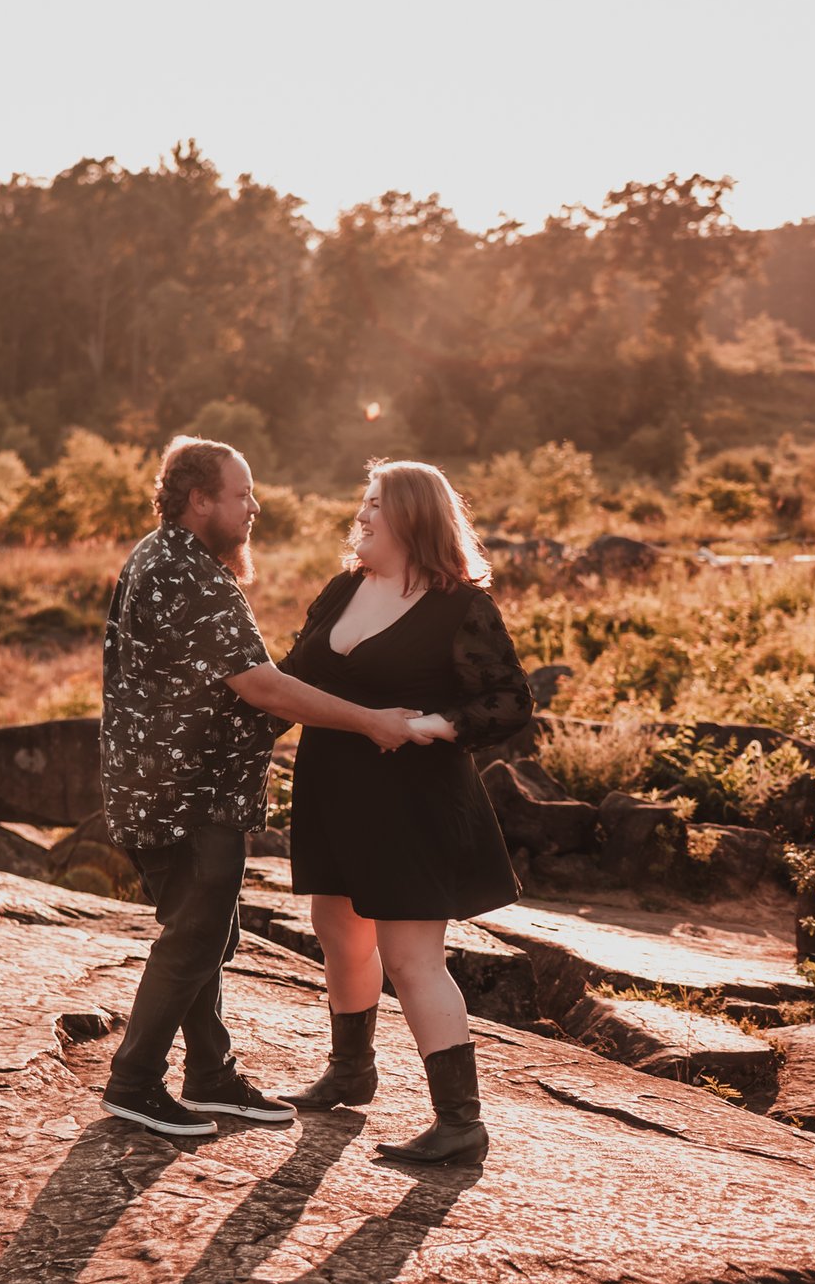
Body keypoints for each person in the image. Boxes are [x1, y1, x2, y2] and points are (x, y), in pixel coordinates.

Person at [97, 435, 427, 1139]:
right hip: (186, 793)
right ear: (200, 500)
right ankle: (134, 1080)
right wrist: (370, 721)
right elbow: (263, 686)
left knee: (206, 934)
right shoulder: (188, 573)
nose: (255, 506)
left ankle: (211, 1073)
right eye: (242, 494)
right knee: (193, 934)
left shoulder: (163, 557)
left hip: (170, 787)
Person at [278, 460, 533, 1163]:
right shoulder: (343, 590)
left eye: (374, 505)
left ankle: (460, 1122)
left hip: (415, 799)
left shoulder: (461, 606)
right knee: (335, 924)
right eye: (361, 502)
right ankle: (352, 1070)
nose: (360, 516)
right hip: (332, 787)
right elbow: (293, 680)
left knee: (411, 955)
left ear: (415, 517)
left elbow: (510, 701)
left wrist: (429, 725)